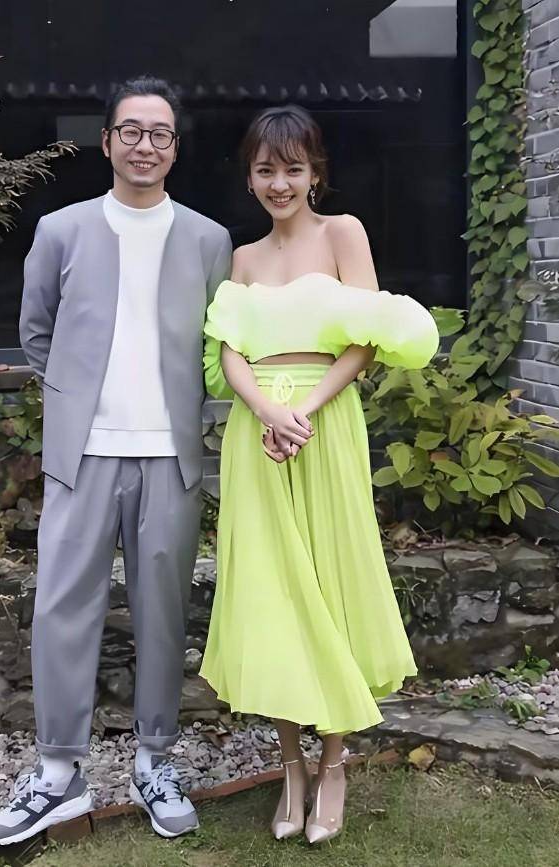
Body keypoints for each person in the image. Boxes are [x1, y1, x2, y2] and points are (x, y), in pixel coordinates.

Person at [0, 76, 232, 845]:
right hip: (82, 453)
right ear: (107, 141)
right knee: (62, 605)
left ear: (175, 148)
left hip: (169, 457)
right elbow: (37, 332)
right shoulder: (61, 229)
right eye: (132, 131)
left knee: (163, 611)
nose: (145, 145)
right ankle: (58, 771)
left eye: (160, 133)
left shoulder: (208, 240)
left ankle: (155, 759)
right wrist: (78, 396)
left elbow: (219, 345)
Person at [200, 105, 439, 844]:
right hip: (258, 433)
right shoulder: (243, 257)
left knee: (329, 583)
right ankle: (291, 765)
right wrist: (265, 411)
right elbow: (229, 350)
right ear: (250, 178)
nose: (279, 183)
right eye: (265, 170)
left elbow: (364, 339)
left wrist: (300, 410)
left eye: (292, 169)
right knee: (270, 591)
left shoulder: (344, 234)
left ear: (314, 173)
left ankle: (334, 763)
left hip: (324, 423)